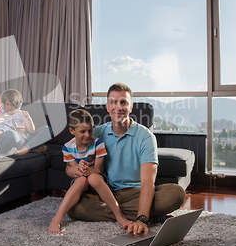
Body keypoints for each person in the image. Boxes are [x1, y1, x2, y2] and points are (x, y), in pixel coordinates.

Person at [67, 83, 186, 235]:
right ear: (107, 106)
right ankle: (146, 216)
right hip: (107, 194)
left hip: (137, 194)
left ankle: (133, 214)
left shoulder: (145, 137)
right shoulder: (95, 133)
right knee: (72, 206)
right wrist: (75, 170)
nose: (118, 107)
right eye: (113, 102)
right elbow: (69, 168)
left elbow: (148, 182)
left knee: (176, 194)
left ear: (131, 107)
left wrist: (142, 219)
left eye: (123, 102)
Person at [48, 109, 133, 234]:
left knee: (93, 178)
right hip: (81, 181)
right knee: (81, 180)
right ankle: (57, 219)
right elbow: (72, 169)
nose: (87, 135)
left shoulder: (98, 144)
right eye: (82, 131)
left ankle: (119, 215)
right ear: (72, 131)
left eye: (90, 130)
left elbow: (98, 169)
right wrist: (78, 169)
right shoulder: (67, 147)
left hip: (96, 178)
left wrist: (90, 170)